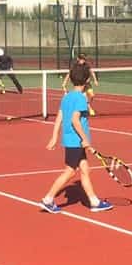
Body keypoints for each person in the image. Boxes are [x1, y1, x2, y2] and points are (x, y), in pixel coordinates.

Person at [40, 62, 113, 213]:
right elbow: (74, 119)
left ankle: (94, 201)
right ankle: (48, 199)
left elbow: (60, 116)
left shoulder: (66, 97)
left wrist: (54, 136)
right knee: (70, 171)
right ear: (87, 80)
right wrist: (84, 138)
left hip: (70, 140)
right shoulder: (80, 98)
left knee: (85, 169)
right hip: (76, 141)